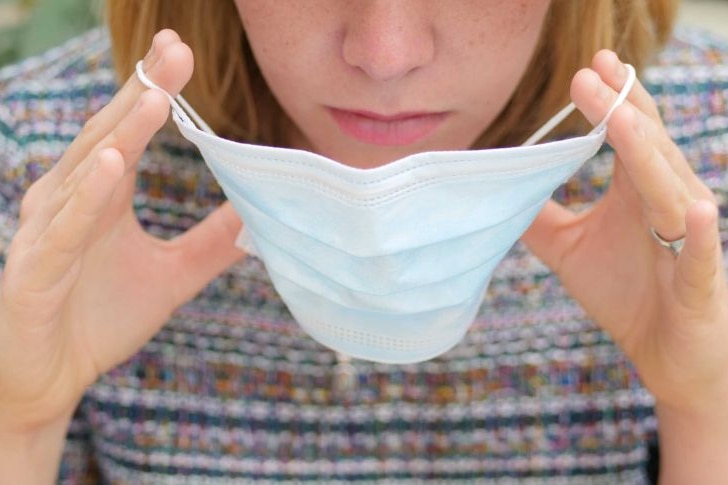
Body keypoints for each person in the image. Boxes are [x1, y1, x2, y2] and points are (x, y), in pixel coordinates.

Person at [0, 0, 726, 482]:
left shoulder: (707, 156)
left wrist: (704, 407)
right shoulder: (42, 168)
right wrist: (21, 419)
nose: (385, 54)